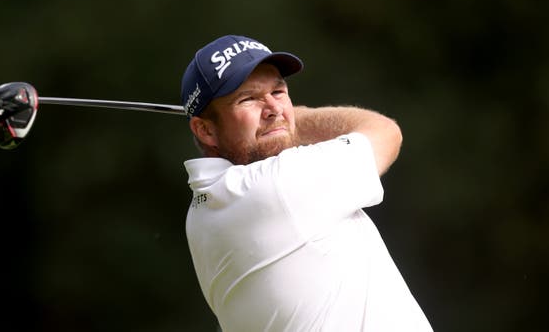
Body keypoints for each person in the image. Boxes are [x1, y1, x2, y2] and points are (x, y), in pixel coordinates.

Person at [180, 34, 433, 331]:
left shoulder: (201, 213)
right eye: (247, 98)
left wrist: (276, 124)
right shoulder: (276, 187)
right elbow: (385, 132)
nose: (273, 109)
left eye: (278, 91)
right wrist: (297, 119)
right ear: (205, 130)